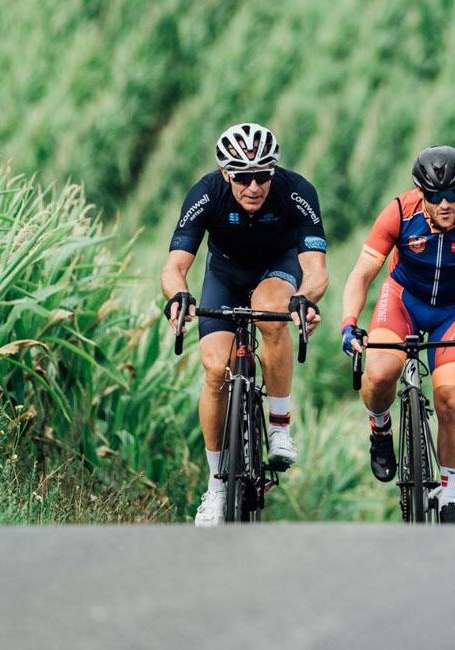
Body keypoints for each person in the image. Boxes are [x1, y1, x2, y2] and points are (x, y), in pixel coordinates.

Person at [161, 122, 328, 528]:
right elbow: (175, 266)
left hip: (277, 268)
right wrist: (178, 297)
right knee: (216, 370)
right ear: (225, 175)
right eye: (243, 177)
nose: (254, 186)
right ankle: (216, 487)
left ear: (274, 172)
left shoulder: (296, 192)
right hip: (225, 274)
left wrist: (306, 298)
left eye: (262, 176)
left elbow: (316, 268)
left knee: (270, 311)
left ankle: (279, 427)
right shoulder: (207, 193)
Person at [338, 145, 455, 525]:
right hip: (403, 300)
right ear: (420, 193)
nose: (445, 204)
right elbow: (362, 273)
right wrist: (349, 322)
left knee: (452, 401)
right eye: (435, 196)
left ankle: (449, 496)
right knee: (380, 373)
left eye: (453, 194)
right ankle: (380, 429)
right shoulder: (399, 212)